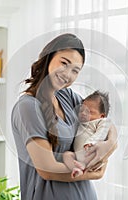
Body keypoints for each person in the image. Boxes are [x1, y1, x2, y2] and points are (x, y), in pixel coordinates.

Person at [11, 33, 117, 200]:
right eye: (64, 63)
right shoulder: (28, 106)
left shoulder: (67, 97)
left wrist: (110, 144)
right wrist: (93, 173)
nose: (68, 74)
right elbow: (46, 169)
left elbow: (103, 121)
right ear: (48, 58)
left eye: (75, 70)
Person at [63, 90, 112, 178]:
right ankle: (76, 169)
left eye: (90, 112)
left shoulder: (101, 122)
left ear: (101, 116)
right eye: (82, 110)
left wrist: (92, 142)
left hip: (93, 152)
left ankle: (84, 167)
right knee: (67, 155)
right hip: (78, 156)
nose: (83, 114)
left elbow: (101, 133)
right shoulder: (80, 122)